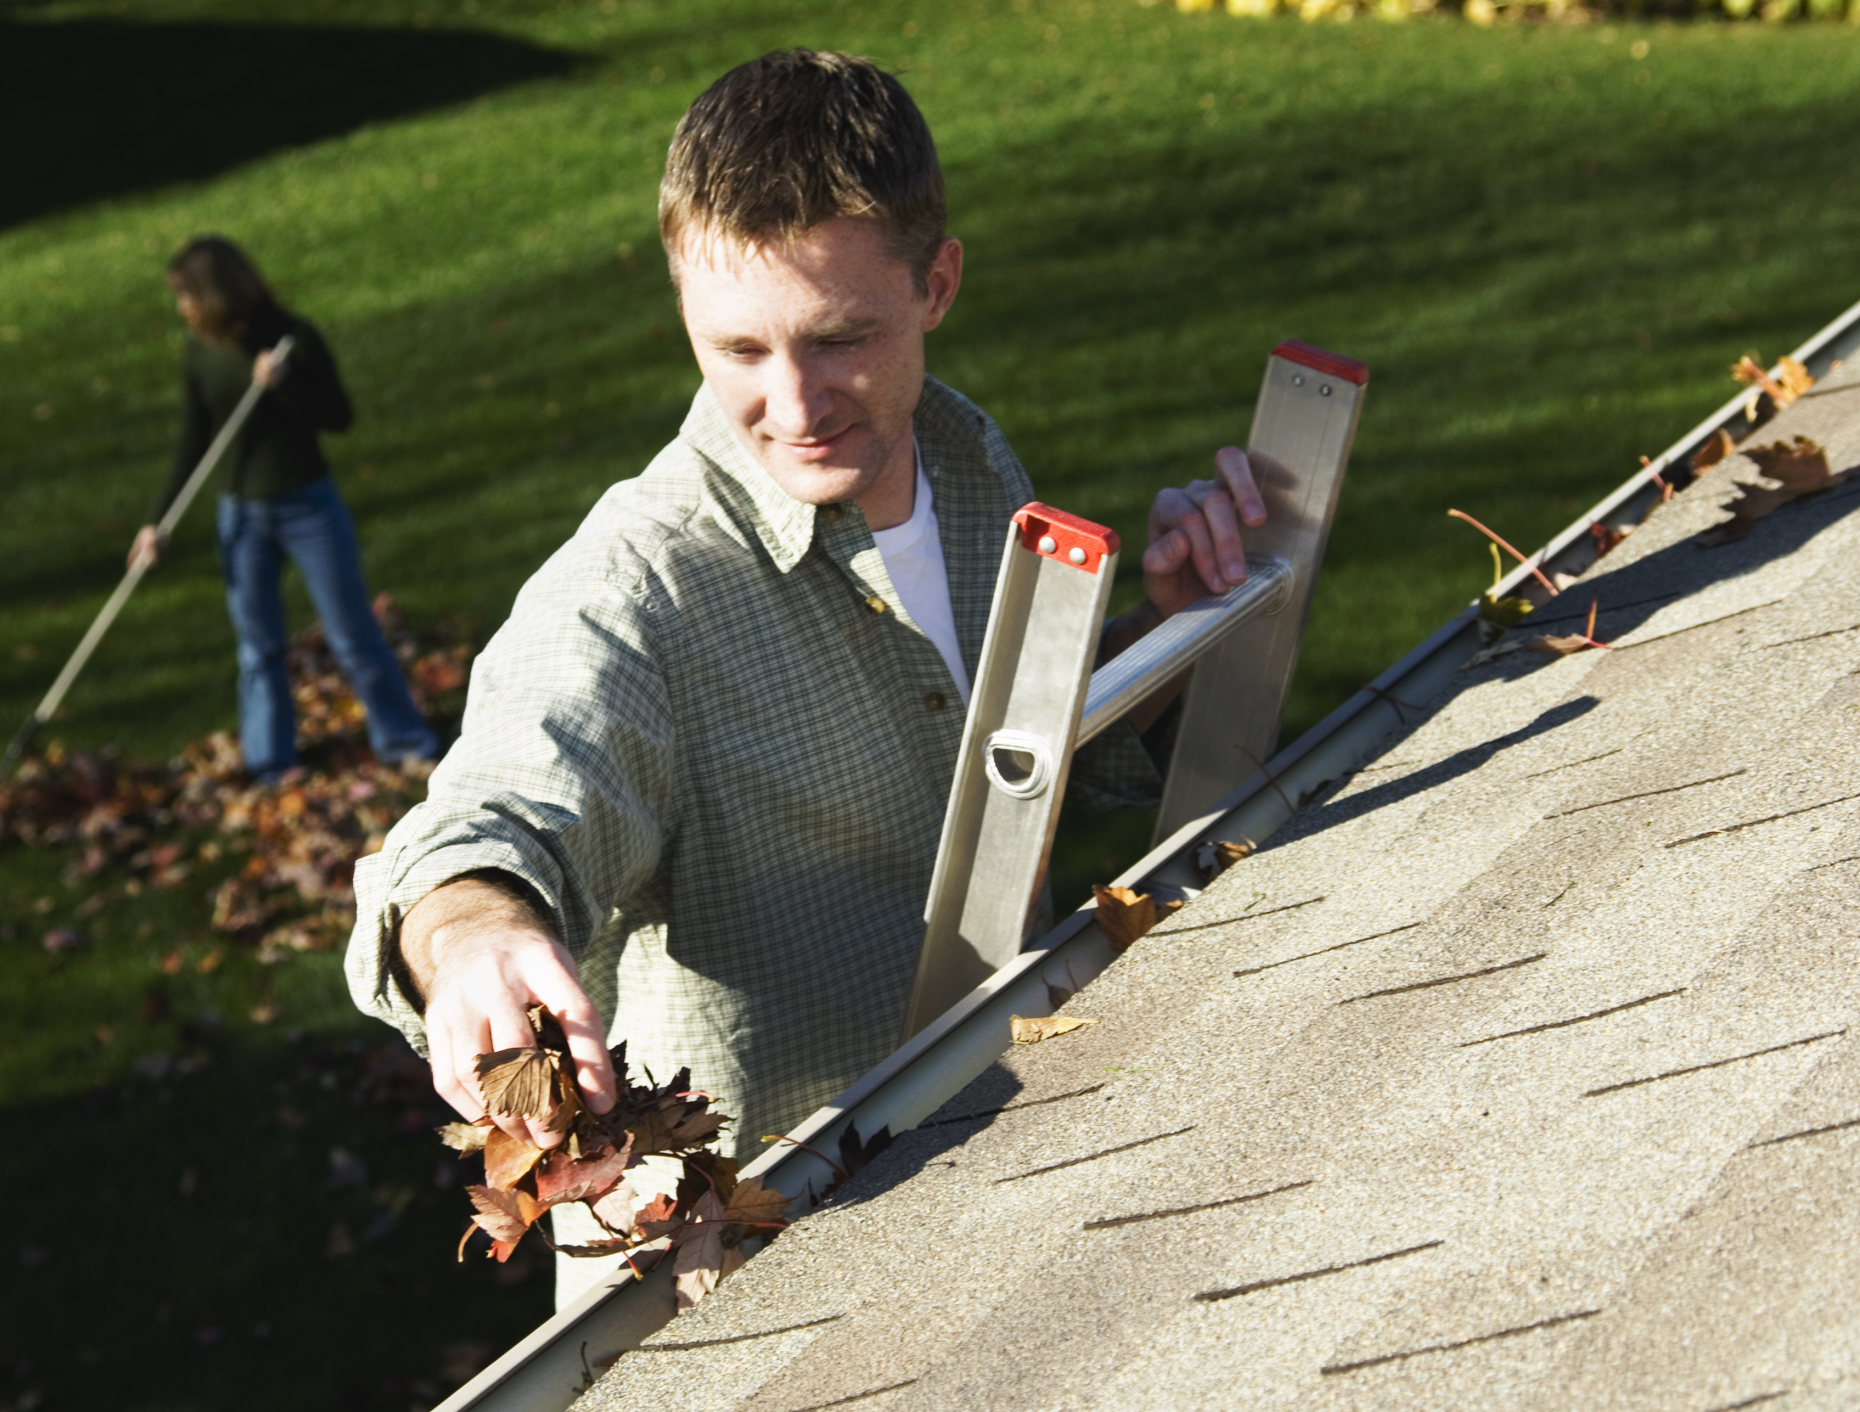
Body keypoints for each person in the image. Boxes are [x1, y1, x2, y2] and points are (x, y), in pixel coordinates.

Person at [344, 50, 1266, 1300]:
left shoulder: (963, 453)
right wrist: (473, 928)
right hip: (766, 1291)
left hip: (1020, 1182)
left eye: (840, 339)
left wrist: (1162, 634)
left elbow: (1019, 760)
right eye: (735, 348)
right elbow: (506, 796)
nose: (792, 406)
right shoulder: (639, 588)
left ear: (935, 283)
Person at [132, 236, 438, 779]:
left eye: (187, 296)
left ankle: (405, 740)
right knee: (258, 647)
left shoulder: (292, 339)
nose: (182, 309)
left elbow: (338, 416)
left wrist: (286, 384)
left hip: (308, 507)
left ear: (216, 293)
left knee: (351, 633)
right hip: (242, 516)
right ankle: (271, 762)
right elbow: (193, 440)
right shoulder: (201, 354)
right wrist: (157, 522)